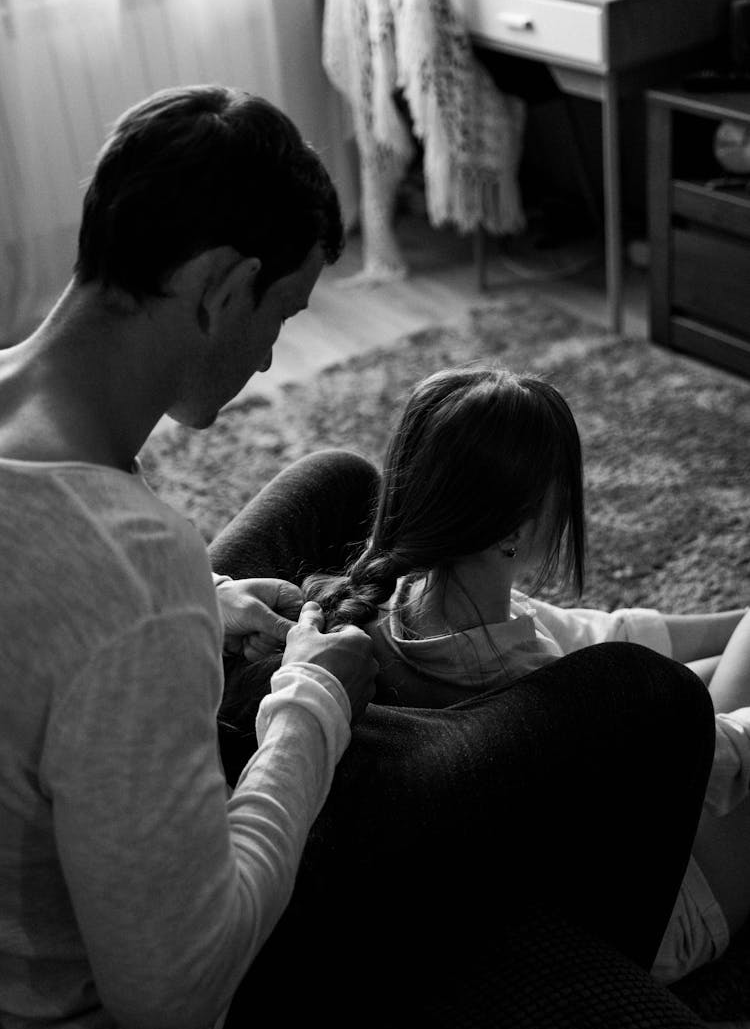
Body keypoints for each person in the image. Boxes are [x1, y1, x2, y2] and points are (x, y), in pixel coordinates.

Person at [0, 84, 378, 1029]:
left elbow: (39, 607)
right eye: (280, 315)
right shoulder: (132, 571)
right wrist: (316, 704)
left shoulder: (112, 537)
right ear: (218, 286)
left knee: (339, 484)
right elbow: (172, 996)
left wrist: (205, 596)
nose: (265, 358)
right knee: (618, 708)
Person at [302, 364, 750, 987]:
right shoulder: (527, 683)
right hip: (649, 908)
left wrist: (741, 625)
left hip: (582, 836)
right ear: (515, 528)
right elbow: (715, 754)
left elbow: (598, 636)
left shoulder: (401, 602)